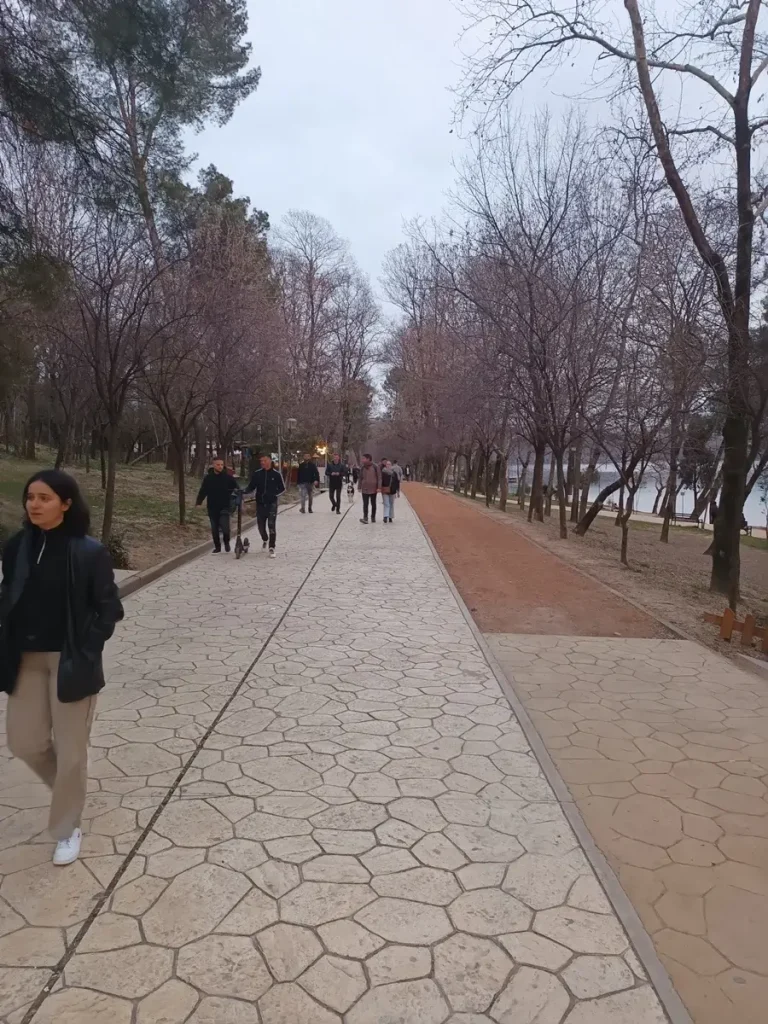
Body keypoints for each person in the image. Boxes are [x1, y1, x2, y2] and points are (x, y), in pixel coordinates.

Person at [0, 470, 123, 866]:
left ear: (66, 504)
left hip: (70, 660)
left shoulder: (88, 551)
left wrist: (88, 648)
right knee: (24, 742)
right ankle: (70, 789)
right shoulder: (16, 547)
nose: (34, 504)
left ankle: (67, 826)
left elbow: (109, 609)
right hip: (25, 660)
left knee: (71, 752)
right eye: (30, 497)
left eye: (44, 498)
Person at [195, 456, 240, 553]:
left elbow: (237, 488)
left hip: (225, 506)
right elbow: (203, 491)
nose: (220, 467)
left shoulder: (228, 478)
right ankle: (217, 547)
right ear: (213, 465)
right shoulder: (208, 478)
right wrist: (199, 502)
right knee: (214, 528)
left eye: (222, 465)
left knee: (225, 528)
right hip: (212, 507)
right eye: (218, 465)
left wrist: (238, 496)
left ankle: (226, 542)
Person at [245, 455, 286, 557]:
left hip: (271, 503)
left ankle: (272, 547)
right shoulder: (257, 474)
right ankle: (265, 539)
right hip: (260, 503)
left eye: (265, 460)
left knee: (271, 525)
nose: (262, 462)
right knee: (260, 526)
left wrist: (273, 494)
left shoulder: (276, 474)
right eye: (261, 460)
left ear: (270, 461)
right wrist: (244, 492)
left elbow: (282, 488)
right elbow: (251, 486)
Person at [358, 453, 381, 524]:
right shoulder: (362, 467)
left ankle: (373, 517)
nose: (362, 460)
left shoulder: (375, 466)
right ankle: (365, 517)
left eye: (364, 458)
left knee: (373, 503)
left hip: (373, 488)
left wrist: (379, 487)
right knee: (365, 503)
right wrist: (359, 486)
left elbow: (379, 477)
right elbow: (360, 478)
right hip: (365, 488)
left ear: (368, 459)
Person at [380, 459, 400, 523]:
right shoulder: (383, 472)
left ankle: (390, 517)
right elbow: (380, 481)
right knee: (386, 504)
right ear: (385, 465)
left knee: (391, 504)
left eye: (389, 464)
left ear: (391, 465)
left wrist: (398, 491)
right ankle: (385, 516)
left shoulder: (394, 473)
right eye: (387, 464)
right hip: (385, 490)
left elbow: (397, 482)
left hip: (392, 490)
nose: (388, 465)